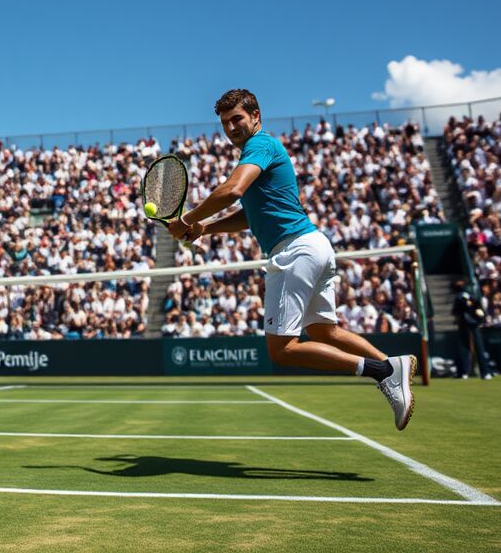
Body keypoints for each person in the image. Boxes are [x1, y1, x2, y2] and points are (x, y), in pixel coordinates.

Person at [168, 89, 416, 430]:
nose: (230, 128)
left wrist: (185, 220)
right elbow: (250, 215)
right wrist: (204, 228)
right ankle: (392, 365)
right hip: (313, 246)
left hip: (295, 251)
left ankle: (382, 371)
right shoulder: (259, 152)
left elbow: (232, 191)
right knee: (322, 330)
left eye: (236, 119)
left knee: (282, 350)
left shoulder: (260, 145)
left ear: (256, 116)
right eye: (225, 123)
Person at [451, 279, 494, 380]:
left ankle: (484, 372)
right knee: (465, 348)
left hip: (471, 323)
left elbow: (474, 308)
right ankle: (464, 372)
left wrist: (477, 317)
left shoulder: (470, 296)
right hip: (465, 323)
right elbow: (457, 310)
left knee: (478, 347)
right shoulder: (463, 296)